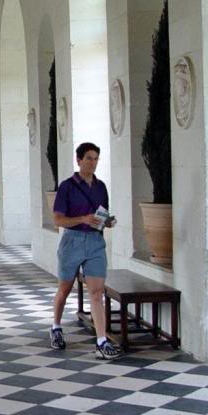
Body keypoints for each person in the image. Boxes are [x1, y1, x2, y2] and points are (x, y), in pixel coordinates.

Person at [50, 142, 119, 359]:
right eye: (89, 158)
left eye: (96, 159)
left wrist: (106, 222)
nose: (93, 163)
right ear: (79, 160)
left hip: (95, 242)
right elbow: (58, 220)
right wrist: (82, 219)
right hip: (72, 241)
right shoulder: (67, 186)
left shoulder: (101, 187)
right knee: (64, 289)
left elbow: (101, 214)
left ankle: (101, 341)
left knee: (96, 293)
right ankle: (56, 327)